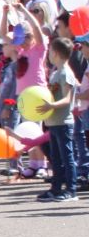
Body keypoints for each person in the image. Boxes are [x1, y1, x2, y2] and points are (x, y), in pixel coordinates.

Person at [37, 38, 78, 202]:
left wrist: (51, 105)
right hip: (53, 122)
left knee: (67, 157)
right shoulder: (55, 72)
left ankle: (71, 189)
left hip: (63, 122)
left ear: (56, 53)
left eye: (50, 51)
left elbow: (68, 98)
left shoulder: (66, 73)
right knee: (56, 158)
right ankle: (56, 188)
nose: (48, 54)